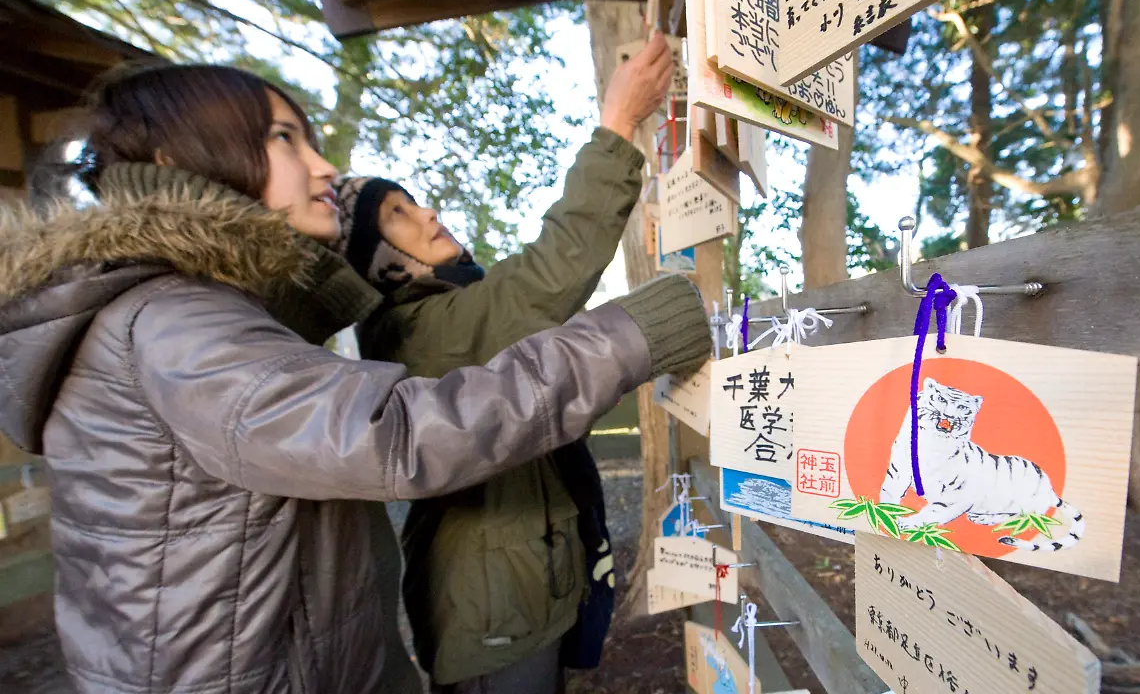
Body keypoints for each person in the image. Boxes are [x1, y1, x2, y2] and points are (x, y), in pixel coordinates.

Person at [0, 63, 712, 694]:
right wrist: (637, 316)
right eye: (285, 139)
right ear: (175, 155)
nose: (322, 168)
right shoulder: (173, 323)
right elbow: (397, 433)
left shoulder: (204, 316)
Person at [333, 34, 675, 694]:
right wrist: (619, 125)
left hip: (511, 594)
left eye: (413, 199)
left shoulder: (448, 309)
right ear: (379, 261)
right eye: (397, 216)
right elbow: (548, 276)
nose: (426, 213)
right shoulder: (419, 330)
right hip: (492, 613)